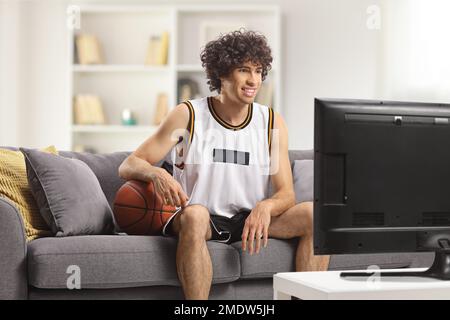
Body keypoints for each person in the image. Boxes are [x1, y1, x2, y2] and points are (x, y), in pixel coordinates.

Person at [118, 29, 329, 300]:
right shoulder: (188, 115)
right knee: (195, 215)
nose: (254, 80)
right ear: (222, 74)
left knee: (316, 216)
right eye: (244, 70)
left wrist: (266, 206)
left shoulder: (271, 122)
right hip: (200, 218)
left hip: (249, 219)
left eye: (258, 71)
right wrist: (156, 172)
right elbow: (129, 164)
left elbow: (285, 194)